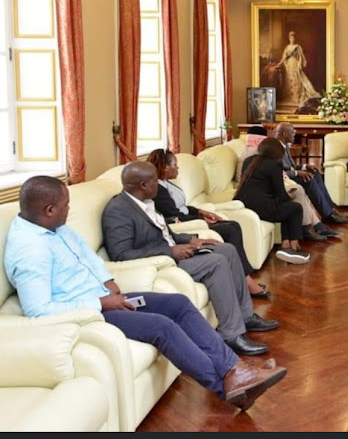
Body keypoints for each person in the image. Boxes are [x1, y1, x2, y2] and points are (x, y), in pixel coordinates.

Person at [4, 176, 286, 410]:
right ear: (49, 209)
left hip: (105, 297)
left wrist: (107, 279)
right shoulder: (30, 250)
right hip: (90, 314)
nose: (69, 209)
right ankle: (226, 387)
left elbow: (87, 257)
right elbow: (38, 310)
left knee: (178, 304)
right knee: (161, 326)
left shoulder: (54, 227)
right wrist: (102, 301)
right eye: (66, 205)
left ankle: (235, 370)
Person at [101, 162, 279, 358]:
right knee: (217, 262)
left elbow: (165, 233)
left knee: (226, 249)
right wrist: (169, 251)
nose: (158, 186)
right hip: (159, 264)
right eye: (154, 181)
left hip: (171, 252)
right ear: (142, 185)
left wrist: (193, 240)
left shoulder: (145, 202)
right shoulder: (118, 210)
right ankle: (232, 334)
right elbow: (121, 254)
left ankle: (246, 316)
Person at [145, 149, 270, 300]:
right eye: (175, 165)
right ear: (165, 167)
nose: (178, 168)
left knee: (233, 225)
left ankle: (245, 279)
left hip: (190, 218)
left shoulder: (166, 184)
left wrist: (202, 212)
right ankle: (246, 281)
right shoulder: (159, 190)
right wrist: (201, 219)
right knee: (231, 229)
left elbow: (183, 207)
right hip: (185, 225)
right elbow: (176, 215)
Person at [235, 137, 311, 265]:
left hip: (244, 205)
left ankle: (286, 245)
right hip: (261, 208)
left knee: (288, 208)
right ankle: (293, 246)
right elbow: (280, 193)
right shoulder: (274, 165)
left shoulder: (248, 161)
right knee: (296, 208)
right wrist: (289, 198)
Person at [276, 122, 348, 224]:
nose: (294, 134)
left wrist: (305, 166)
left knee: (315, 174)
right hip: (284, 180)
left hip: (290, 175)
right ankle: (327, 215)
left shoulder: (285, 145)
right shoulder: (275, 148)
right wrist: (298, 173)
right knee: (309, 179)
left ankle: (331, 211)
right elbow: (278, 172)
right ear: (285, 134)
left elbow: (291, 166)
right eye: (292, 132)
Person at [274, 31, 321, 106]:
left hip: (295, 64)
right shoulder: (287, 47)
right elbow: (284, 57)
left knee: (296, 80)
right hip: (289, 65)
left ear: (295, 38)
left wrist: (299, 64)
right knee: (289, 80)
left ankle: (297, 97)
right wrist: (279, 64)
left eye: (293, 38)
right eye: (291, 38)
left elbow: (300, 57)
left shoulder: (297, 47)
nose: (292, 39)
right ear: (289, 39)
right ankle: (290, 97)